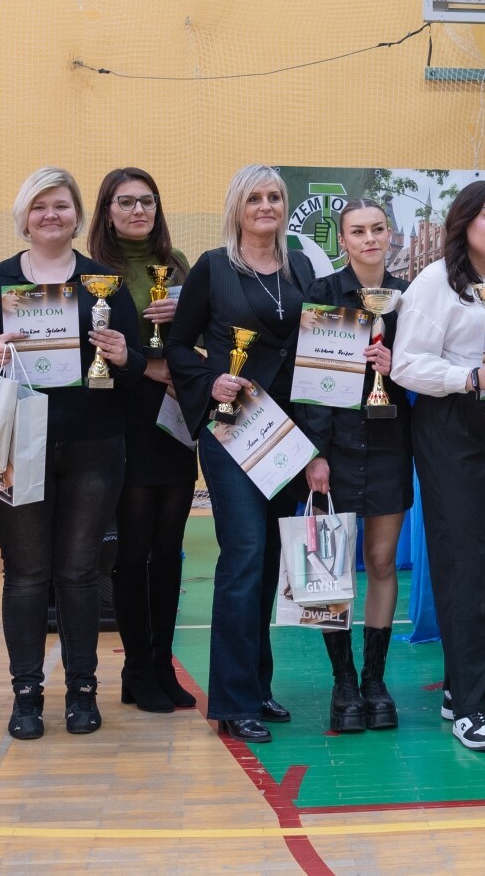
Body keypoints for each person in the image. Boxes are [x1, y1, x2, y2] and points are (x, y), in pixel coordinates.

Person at [0, 167, 142, 740]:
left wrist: (122, 355)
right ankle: (27, 694)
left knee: (80, 572)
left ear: (78, 215)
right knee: (27, 573)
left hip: (93, 445)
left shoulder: (105, 283)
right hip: (16, 445)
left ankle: (83, 690)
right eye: (40, 206)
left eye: (61, 205)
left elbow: (136, 368)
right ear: (24, 217)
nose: (51, 215)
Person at [390, 180, 485, 752]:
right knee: (467, 561)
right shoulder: (436, 282)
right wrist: (469, 377)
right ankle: (469, 707)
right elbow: (406, 365)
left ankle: (469, 689)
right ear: (464, 221)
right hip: (453, 426)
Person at [166, 164, 316, 744]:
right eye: (254, 197)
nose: (266, 206)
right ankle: (231, 701)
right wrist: (211, 380)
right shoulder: (213, 267)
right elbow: (178, 345)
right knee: (244, 553)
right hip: (233, 429)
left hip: (288, 433)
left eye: (275, 196)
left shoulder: (301, 266)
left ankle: (256, 685)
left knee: (268, 562)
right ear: (237, 207)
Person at [294, 198, 414, 733]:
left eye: (377, 229)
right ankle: (342, 682)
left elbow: (427, 376)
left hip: (390, 445)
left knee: (382, 561)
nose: (369, 239)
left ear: (390, 235)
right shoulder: (323, 294)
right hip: (335, 448)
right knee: (331, 567)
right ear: (342, 241)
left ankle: (374, 680)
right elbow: (310, 383)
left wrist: (397, 367)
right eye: (358, 231)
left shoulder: (409, 298)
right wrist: (314, 453)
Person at [85, 168, 194, 716]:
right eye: (125, 202)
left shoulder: (178, 266)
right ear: (107, 210)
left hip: (175, 417)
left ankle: (162, 664)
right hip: (124, 414)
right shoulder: (91, 271)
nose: (137, 211)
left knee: (169, 551)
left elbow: (203, 333)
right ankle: (135, 668)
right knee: (132, 551)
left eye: (147, 201)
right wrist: (149, 368)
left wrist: (186, 324)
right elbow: (88, 344)